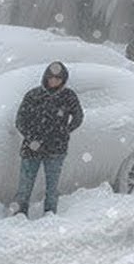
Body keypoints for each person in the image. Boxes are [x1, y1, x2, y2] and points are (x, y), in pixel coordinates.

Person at [13, 61, 84, 216]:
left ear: (63, 80)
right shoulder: (33, 95)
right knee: (25, 186)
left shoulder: (68, 96)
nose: (54, 81)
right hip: (31, 148)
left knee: (52, 187)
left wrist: (65, 131)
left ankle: (49, 215)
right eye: (51, 78)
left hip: (56, 149)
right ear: (46, 77)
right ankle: (19, 214)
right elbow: (20, 120)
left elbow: (78, 117)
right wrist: (31, 138)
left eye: (58, 79)